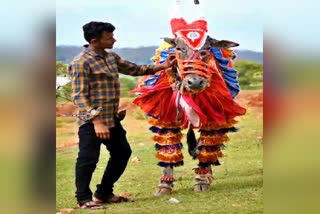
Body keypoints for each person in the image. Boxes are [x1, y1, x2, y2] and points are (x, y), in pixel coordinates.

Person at [69, 21, 176, 210]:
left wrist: (164, 66)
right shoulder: (81, 63)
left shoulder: (111, 57)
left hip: (112, 119)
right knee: (88, 159)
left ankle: (104, 193)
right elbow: (79, 95)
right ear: (94, 41)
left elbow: (135, 69)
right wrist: (96, 122)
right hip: (92, 122)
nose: (114, 39)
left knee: (122, 153)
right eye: (109, 37)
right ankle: (83, 199)